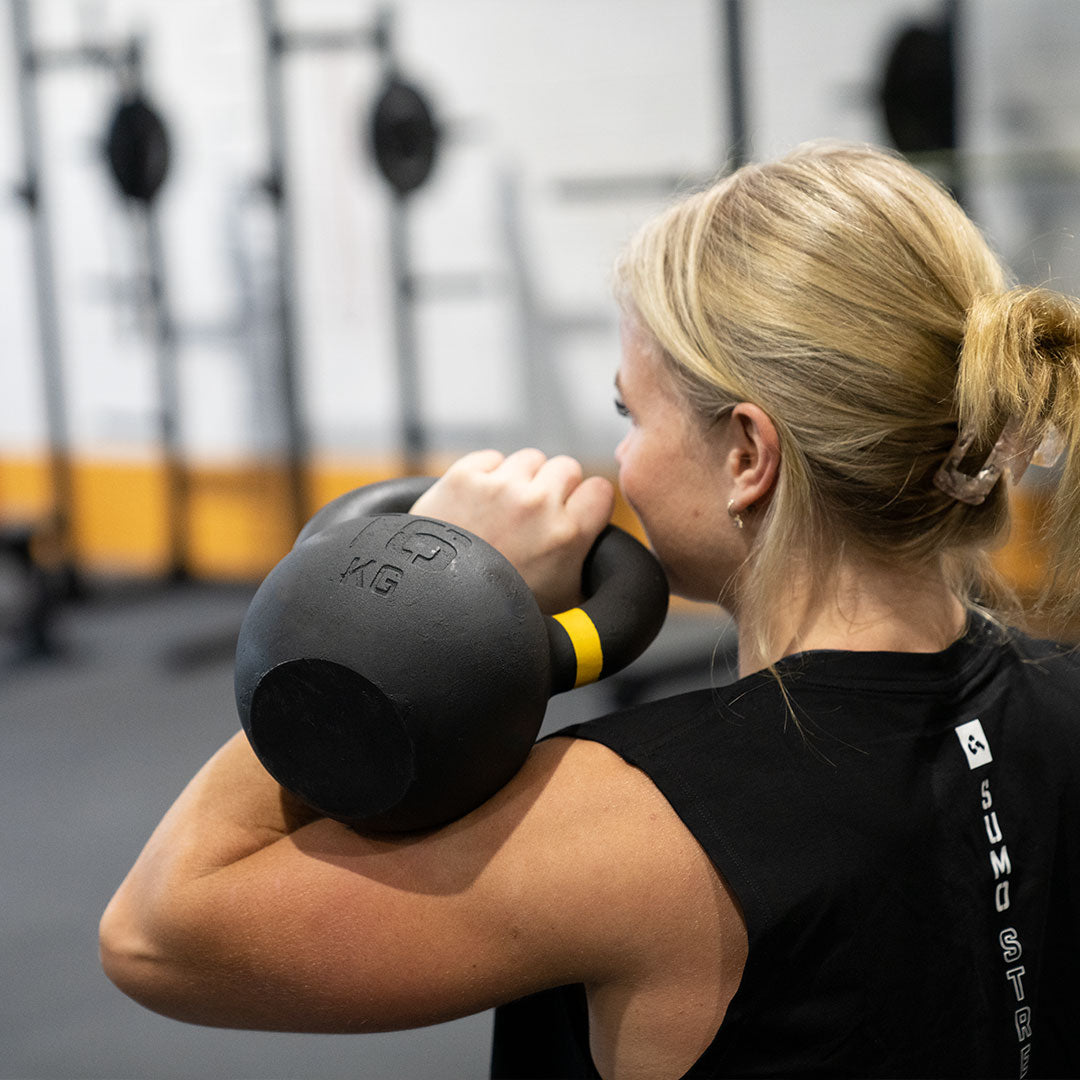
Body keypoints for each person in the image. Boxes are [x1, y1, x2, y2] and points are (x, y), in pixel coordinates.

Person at [100, 142, 1080, 1079]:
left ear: (748, 456)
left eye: (629, 415)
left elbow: (156, 932)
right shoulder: (1065, 701)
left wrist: (401, 607)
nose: (619, 463)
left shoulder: (639, 821)